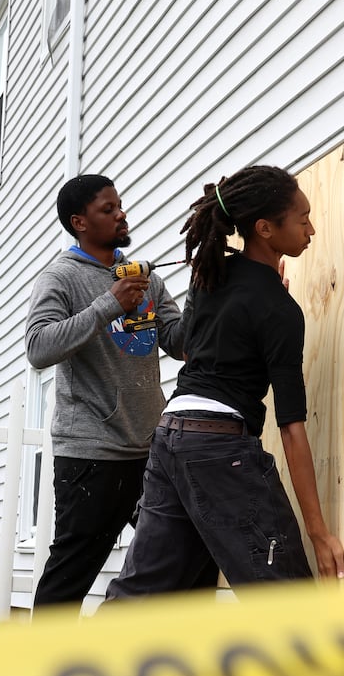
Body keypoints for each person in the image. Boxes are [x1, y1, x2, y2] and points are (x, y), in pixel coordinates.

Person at [105, 165, 344, 601]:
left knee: (140, 594)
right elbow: (292, 427)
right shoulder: (280, 310)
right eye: (303, 218)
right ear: (265, 229)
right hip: (218, 447)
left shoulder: (212, 276)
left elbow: (188, 348)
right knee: (287, 597)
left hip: (171, 436)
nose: (312, 228)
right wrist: (319, 533)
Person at [26, 173, 211, 610]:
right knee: (73, 569)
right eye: (107, 209)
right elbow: (38, 348)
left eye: (119, 205)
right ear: (80, 222)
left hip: (151, 448)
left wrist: (206, 288)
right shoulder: (62, 277)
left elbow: (181, 342)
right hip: (91, 453)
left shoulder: (145, 278)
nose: (120, 213)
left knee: (191, 551)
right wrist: (109, 303)